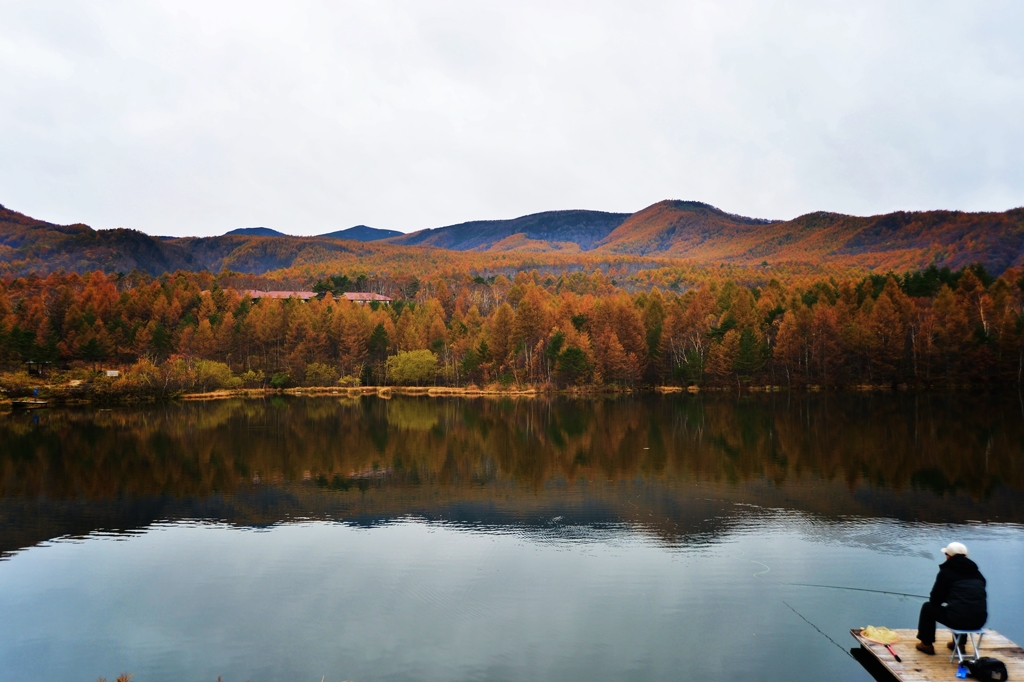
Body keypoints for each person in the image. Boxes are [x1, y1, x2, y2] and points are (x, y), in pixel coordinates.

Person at [915, 542, 987, 655]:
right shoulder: (978, 574)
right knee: (964, 608)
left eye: (945, 554)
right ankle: (959, 644)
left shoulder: (946, 572)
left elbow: (935, 600)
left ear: (949, 556)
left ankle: (926, 644)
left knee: (928, 607)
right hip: (979, 621)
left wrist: (946, 599)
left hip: (958, 620)